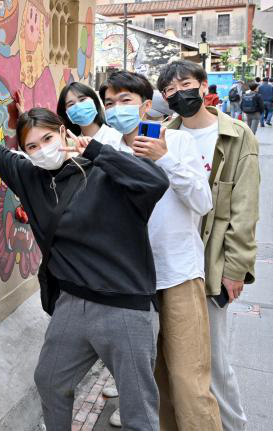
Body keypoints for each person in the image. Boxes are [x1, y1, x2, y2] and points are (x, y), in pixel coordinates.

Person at [0, 67, 169, 431]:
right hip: (71, 307)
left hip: (123, 306)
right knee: (49, 381)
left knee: (138, 411)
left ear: (64, 132)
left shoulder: (102, 170)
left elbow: (154, 181)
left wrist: (96, 150)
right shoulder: (29, 177)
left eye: (47, 138)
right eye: (32, 146)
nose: (42, 149)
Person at [98, 72, 220, 430]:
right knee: (152, 381)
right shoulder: (108, 149)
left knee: (189, 382)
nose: (116, 109)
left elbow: (203, 201)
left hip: (177, 274)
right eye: (110, 103)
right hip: (132, 281)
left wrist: (165, 158)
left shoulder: (177, 142)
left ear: (146, 106)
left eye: (125, 101)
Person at [159, 60, 259, 431]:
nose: (178, 93)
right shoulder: (164, 133)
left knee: (213, 362)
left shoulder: (236, 135)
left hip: (212, 261)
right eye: (170, 90)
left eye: (185, 84)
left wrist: (236, 268)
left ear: (203, 86)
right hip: (173, 260)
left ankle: (233, 425)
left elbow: (245, 207)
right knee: (172, 356)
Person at [56, 82, 122, 146]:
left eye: (82, 99)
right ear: (66, 113)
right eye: (71, 104)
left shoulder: (116, 136)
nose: (78, 106)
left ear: (94, 101)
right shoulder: (71, 144)